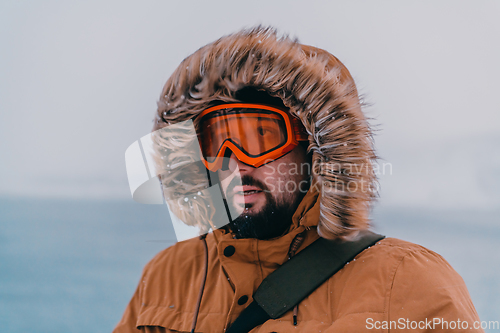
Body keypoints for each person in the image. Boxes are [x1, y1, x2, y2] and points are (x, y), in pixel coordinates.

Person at [115, 27, 483, 332]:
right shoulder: (168, 274)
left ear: (316, 153)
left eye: (259, 137)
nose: (235, 163)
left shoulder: (407, 282)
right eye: (215, 141)